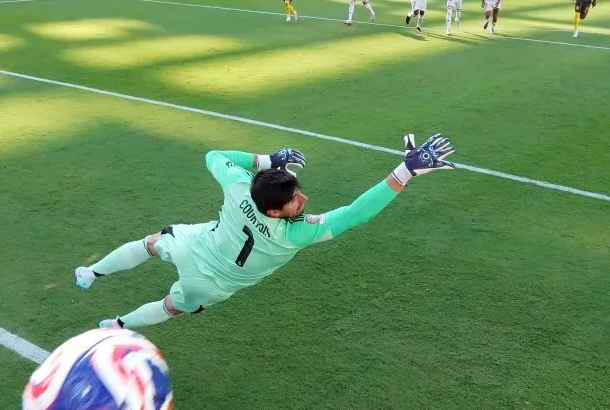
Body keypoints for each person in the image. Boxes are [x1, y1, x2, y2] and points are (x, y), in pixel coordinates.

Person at [74, 135, 457, 329]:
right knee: (172, 307)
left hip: (196, 246)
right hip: (211, 286)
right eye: (294, 199)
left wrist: (268, 160)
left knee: (152, 244)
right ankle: (118, 325)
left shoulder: (241, 188)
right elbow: (355, 214)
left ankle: (91, 274)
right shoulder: (294, 234)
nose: (303, 199)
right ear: (275, 210)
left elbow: (213, 157)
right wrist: (406, 170)